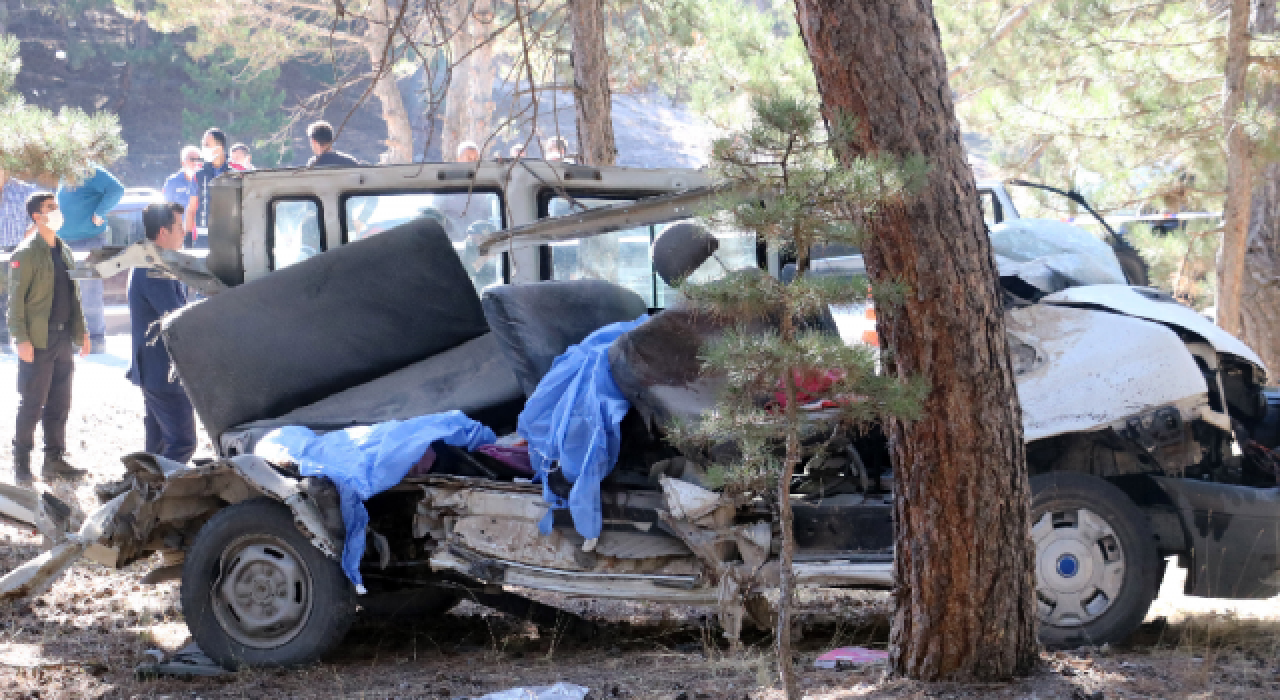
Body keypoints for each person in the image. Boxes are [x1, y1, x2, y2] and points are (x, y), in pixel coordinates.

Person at [8, 192, 90, 485]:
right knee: (32, 402)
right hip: (38, 340)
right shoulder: (26, 252)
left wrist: (82, 332)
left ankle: (54, 460)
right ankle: (21, 463)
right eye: (50, 207)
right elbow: (16, 302)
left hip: (63, 337)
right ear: (36, 216)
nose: (56, 211)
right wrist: (21, 338)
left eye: (56, 206)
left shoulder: (63, 249)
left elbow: (74, 295)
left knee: (60, 402)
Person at [127, 202, 198, 464]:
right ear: (163, 232)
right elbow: (177, 317)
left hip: (155, 370)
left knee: (157, 447)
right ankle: (163, 488)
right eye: (179, 226)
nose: (184, 232)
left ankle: (146, 488)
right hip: (163, 371)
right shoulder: (154, 268)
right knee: (182, 443)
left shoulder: (154, 261)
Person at [55, 164, 124, 355]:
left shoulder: (90, 170)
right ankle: (73, 338)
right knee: (65, 292)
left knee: (89, 292)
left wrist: (100, 212)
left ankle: (95, 339)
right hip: (63, 242)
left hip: (88, 241)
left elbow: (117, 190)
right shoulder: (64, 170)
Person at [0, 168, 40, 353]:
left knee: (19, 296)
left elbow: (46, 211)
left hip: (16, 250)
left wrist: (29, 232)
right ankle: (2, 341)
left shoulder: (22, 189)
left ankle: (24, 339)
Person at [186, 127, 233, 246]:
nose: (204, 149)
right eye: (203, 145)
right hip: (203, 238)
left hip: (229, 238)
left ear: (220, 147)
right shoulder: (198, 175)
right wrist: (188, 237)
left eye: (207, 145)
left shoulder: (234, 174)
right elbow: (191, 209)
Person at [162, 147, 201, 244]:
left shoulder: (204, 180)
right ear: (183, 163)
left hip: (202, 233)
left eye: (198, 159)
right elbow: (165, 208)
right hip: (180, 234)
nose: (196, 162)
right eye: (192, 159)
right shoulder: (172, 181)